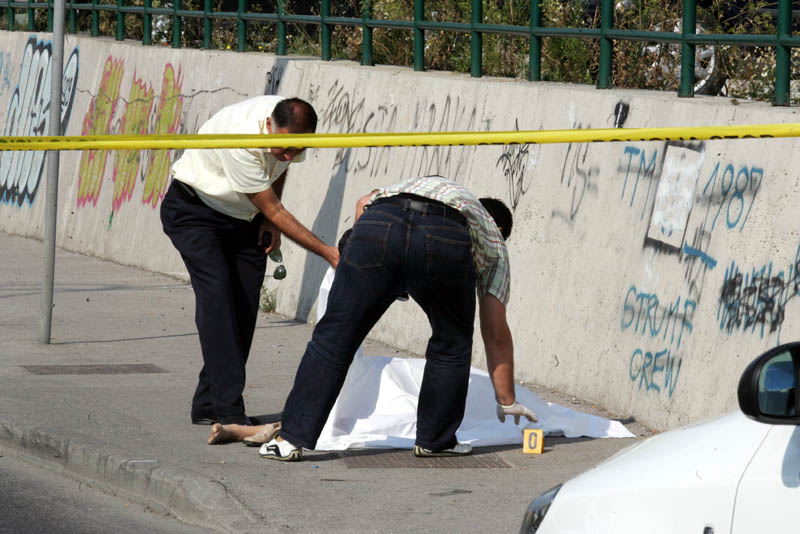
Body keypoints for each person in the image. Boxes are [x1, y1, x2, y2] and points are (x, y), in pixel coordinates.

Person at [259, 174, 536, 461]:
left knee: (334, 337)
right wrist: (507, 400)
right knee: (451, 343)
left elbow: (364, 202)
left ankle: (289, 440)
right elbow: (495, 333)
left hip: (378, 222)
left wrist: (369, 270)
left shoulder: (433, 187)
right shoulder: (493, 240)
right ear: (499, 228)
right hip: (444, 241)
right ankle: (434, 441)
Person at [160, 95, 339, 426]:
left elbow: (277, 174)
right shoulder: (241, 136)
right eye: (284, 146)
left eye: (298, 150)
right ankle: (229, 411)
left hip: (245, 219)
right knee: (217, 298)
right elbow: (274, 208)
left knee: (242, 307)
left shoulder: (290, 131)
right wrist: (329, 254)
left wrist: (268, 222)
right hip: (195, 212)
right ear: (270, 125)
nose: (288, 155)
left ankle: (208, 403)